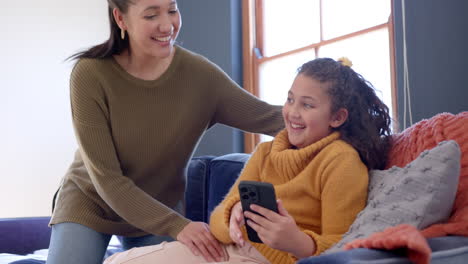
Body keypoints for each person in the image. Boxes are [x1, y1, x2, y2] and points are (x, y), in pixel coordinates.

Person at [46, 0, 285, 263]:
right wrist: (177, 226)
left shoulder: (200, 76)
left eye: (172, 10)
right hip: (91, 201)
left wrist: (330, 110)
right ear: (121, 19)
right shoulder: (90, 73)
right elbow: (108, 179)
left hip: (159, 206)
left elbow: (271, 118)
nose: (167, 25)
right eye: (151, 15)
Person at [102, 57, 393, 264]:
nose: (292, 112)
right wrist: (232, 217)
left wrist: (296, 241)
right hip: (227, 249)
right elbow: (217, 219)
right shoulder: (266, 153)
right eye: (290, 100)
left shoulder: (341, 162)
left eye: (307, 105)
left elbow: (343, 249)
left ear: (337, 117)